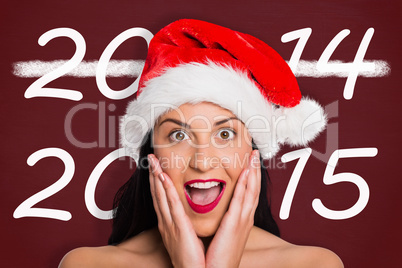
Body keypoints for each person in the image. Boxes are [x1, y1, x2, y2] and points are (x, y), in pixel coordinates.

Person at [59, 19, 343, 267]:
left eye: (225, 134)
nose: (202, 162)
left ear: (253, 151)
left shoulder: (314, 265)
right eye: (178, 135)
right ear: (151, 152)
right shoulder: (87, 264)